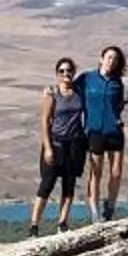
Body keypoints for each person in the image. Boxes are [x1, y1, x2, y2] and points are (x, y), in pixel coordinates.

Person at [30, 57, 88, 231]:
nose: (66, 74)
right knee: (46, 184)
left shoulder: (80, 92)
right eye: (62, 71)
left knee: (69, 185)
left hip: (75, 145)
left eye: (69, 70)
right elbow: (45, 122)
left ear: (74, 72)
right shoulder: (52, 94)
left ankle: (62, 222)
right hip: (55, 144)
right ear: (57, 74)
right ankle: (34, 225)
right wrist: (47, 147)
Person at [78, 45, 128, 219]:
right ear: (101, 59)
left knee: (116, 172)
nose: (111, 61)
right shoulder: (87, 78)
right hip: (94, 131)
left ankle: (110, 207)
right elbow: (69, 90)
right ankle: (94, 210)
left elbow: (120, 103)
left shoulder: (117, 83)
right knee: (96, 172)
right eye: (109, 57)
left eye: (115, 59)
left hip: (114, 130)